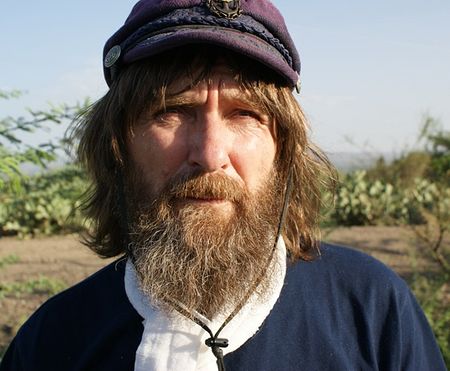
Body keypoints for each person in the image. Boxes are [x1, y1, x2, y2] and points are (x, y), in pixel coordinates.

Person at [0, 0, 446, 370]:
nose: (210, 154)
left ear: (283, 148)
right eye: (171, 111)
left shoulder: (372, 310)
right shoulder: (52, 343)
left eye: (245, 114)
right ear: (117, 146)